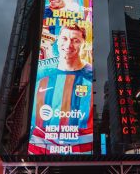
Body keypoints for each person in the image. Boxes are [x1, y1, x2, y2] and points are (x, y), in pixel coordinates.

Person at [29, 25, 93, 155]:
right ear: (57, 41)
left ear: (84, 44)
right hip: (40, 149)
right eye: (64, 38)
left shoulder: (92, 75)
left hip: (83, 152)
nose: (68, 45)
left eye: (75, 40)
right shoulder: (41, 73)